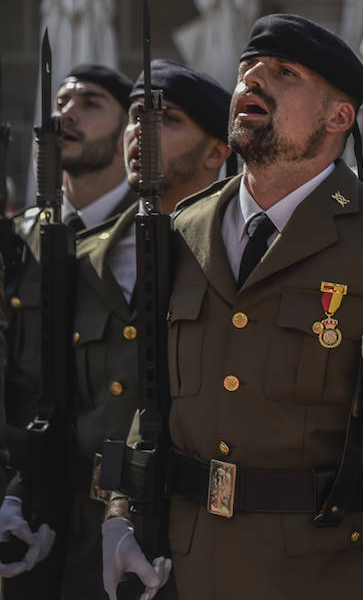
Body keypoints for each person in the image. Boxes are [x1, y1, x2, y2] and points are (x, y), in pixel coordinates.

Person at [100, 14, 363, 599]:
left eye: (284, 73)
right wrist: (120, 513)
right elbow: (154, 396)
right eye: (248, 70)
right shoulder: (184, 230)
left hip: (325, 575)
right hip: (189, 569)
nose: (253, 81)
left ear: (338, 117)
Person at [1, 60, 230, 599]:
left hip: (197, 538)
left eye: (164, 120)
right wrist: (21, 489)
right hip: (89, 534)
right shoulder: (88, 254)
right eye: (134, 118)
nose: (140, 135)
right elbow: (56, 395)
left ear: (217, 152)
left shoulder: (237, 255)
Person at [6, 65, 137, 439]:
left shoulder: (150, 234)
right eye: (61, 102)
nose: (66, 114)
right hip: (28, 468)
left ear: (128, 132)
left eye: (91, 104)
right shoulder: (22, 235)